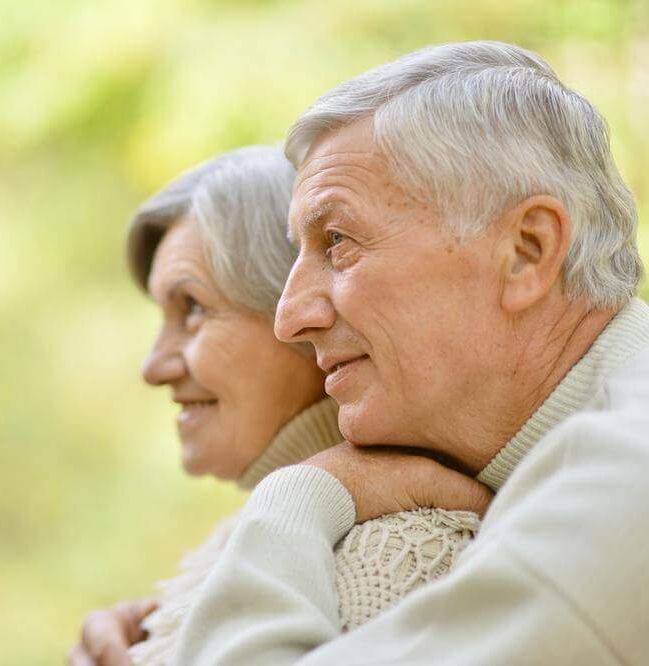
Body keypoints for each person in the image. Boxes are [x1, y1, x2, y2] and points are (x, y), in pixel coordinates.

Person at [174, 41, 649, 665]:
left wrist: (300, 497)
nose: (289, 318)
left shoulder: (623, 478)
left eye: (338, 241)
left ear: (527, 252)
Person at [70, 147, 480, 666]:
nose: (154, 367)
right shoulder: (255, 535)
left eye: (193, 308)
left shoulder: (400, 555)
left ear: (304, 316)